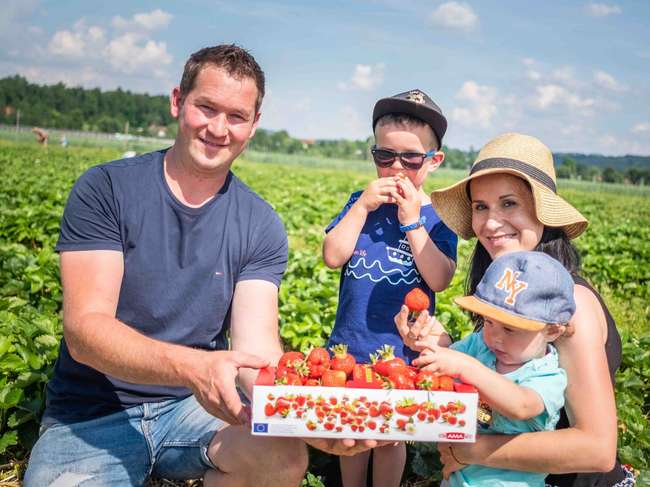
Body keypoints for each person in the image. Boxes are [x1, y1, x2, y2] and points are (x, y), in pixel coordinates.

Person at [23, 44, 313, 487]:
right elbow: (85, 331)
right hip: (92, 415)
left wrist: (305, 417)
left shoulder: (260, 222)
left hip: (196, 408)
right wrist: (193, 368)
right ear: (178, 102)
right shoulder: (107, 190)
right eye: (206, 108)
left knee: (282, 456)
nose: (219, 128)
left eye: (236, 116)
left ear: (253, 125)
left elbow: (256, 348)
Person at [396, 132, 633, 486]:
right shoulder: (506, 292)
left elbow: (596, 449)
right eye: (481, 207)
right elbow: (496, 372)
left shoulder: (572, 306)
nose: (490, 224)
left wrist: (471, 450)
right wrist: (440, 346)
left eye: (509, 204)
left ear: (543, 213)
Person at [323, 89, 458, 487]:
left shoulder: (438, 217)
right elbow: (333, 255)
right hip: (349, 344)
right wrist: (362, 207)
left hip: (401, 349)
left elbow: (440, 279)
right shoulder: (359, 203)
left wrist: (412, 221)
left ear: (433, 161)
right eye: (385, 156)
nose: (396, 168)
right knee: (348, 428)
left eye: (410, 159)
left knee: (388, 436)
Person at [414, 250, 575, 486]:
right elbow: (447, 361)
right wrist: (428, 342)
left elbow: (521, 405)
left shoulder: (546, 375)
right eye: (488, 321)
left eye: (510, 329)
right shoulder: (480, 345)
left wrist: (467, 368)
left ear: (551, 331)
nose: (495, 337)